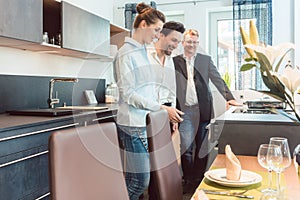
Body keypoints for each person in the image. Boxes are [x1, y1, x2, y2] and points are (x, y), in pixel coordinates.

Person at [114, 3, 182, 200]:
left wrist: (165, 114)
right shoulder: (126, 53)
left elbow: (150, 90)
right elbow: (128, 94)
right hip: (133, 124)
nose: (158, 35)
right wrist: (160, 108)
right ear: (143, 24)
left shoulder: (142, 52)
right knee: (138, 182)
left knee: (143, 180)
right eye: (157, 30)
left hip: (145, 121)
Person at [173, 29, 241, 193]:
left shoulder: (205, 60)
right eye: (189, 42)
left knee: (202, 147)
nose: (192, 45)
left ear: (198, 43)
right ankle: (188, 179)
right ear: (183, 43)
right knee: (187, 147)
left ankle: (199, 178)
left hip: (202, 109)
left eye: (195, 42)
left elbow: (218, 79)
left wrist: (229, 98)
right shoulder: (174, 61)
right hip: (185, 111)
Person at [147, 21, 186, 132]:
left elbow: (171, 90)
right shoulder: (145, 56)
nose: (176, 46)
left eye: (178, 42)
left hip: (164, 116)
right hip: (146, 115)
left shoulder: (170, 60)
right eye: (174, 40)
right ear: (161, 35)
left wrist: (173, 115)